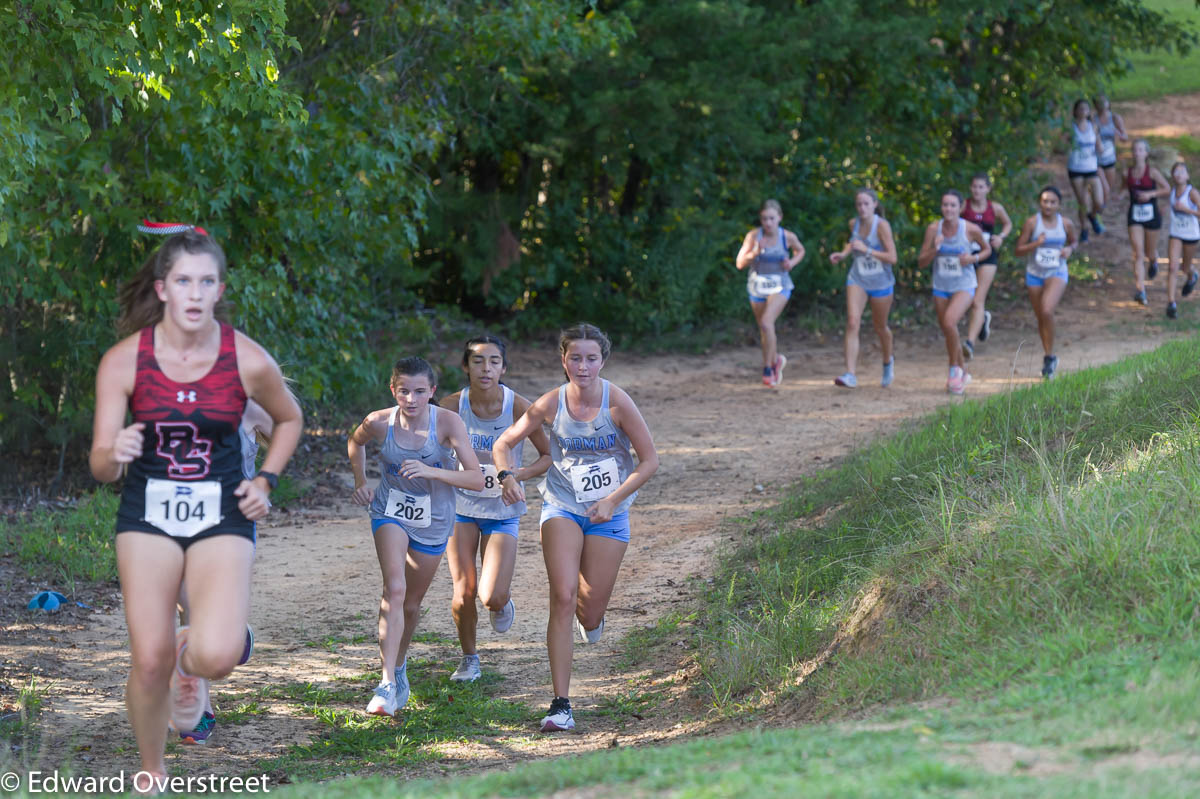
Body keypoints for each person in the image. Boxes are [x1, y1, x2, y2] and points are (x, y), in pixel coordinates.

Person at [90, 228, 302, 787]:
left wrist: (266, 479)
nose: (194, 292)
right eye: (183, 280)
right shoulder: (123, 362)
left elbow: (289, 418)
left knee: (219, 654)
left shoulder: (246, 358)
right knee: (148, 658)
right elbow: (100, 466)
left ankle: (191, 659)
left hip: (222, 512)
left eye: (205, 281)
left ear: (219, 290)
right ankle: (152, 770)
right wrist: (116, 452)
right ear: (162, 288)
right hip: (148, 515)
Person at [492, 324, 659, 733]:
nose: (582, 366)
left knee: (588, 607)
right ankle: (561, 704)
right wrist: (506, 476)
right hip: (562, 507)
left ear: (603, 360)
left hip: (609, 514)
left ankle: (594, 618)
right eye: (575, 358)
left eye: (591, 358)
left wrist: (613, 500)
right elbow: (503, 443)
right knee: (563, 596)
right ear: (563, 359)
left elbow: (649, 460)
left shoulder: (617, 403)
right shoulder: (551, 404)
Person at [348, 357, 484, 716]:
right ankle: (386, 683)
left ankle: (399, 665)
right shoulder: (379, 422)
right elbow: (355, 441)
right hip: (389, 511)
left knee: (410, 603)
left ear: (432, 392)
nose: (411, 398)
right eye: (404, 391)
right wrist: (361, 481)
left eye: (419, 391)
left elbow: (476, 478)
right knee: (394, 588)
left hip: (434, 518)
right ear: (393, 390)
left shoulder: (448, 423)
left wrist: (432, 472)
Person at [440, 335, 551, 683]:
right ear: (465, 366)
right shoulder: (450, 406)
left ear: (503, 367)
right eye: (477, 361)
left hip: (503, 509)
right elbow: (433, 450)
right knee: (464, 591)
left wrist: (517, 474)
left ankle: (503, 602)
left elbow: (547, 456)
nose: (485, 368)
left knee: (491, 595)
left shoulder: (518, 406)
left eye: (493, 361)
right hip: (460, 507)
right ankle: (469, 659)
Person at [177, 398, 274, 744]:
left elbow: (284, 438)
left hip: (233, 523)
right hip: (180, 516)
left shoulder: (251, 409)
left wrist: (262, 482)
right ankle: (200, 710)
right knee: (189, 608)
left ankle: (235, 635)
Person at [917, 190, 991, 395]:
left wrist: (973, 259)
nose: (948, 209)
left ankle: (953, 370)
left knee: (950, 322)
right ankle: (964, 371)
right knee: (949, 330)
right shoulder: (934, 229)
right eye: (945, 205)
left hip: (964, 285)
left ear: (960, 208)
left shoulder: (970, 229)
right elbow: (922, 262)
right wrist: (934, 248)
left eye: (952, 205)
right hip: (941, 286)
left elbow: (988, 250)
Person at [829, 188, 897, 388]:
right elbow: (853, 244)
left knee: (880, 327)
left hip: (881, 282)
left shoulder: (882, 226)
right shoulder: (854, 223)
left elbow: (893, 258)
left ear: (875, 204)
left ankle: (887, 362)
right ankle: (850, 374)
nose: (862, 208)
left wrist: (868, 250)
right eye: (859, 204)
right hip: (858, 278)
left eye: (866, 204)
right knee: (852, 322)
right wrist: (842, 254)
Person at [734, 200, 806, 386]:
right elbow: (740, 263)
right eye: (764, 219)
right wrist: (755, 252)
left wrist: (792, 263)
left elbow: (801, 250)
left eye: (772, 218)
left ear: (779, 218)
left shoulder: (787, 237)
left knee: (767, 323)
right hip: (757, 287)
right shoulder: (753, 237)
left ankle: (768, 369)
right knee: (765, 328)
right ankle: (776, 360)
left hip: (781, 286)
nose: (768, 223)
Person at [1013, 186, 1078, 379]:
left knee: (1047, 310)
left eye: (1052, 202)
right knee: (1041, 316)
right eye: (1044, 201)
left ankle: (1050, 357)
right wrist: (1035, 244)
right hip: (1034, 274)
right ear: (1040, 203)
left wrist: (1070, 250)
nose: (1048, 205)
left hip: (1057, 271)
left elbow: (1074, 241)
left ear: (1058, 204)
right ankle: (1048, 355)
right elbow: (1018, 250)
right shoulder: (1032, 223)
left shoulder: (1065, 223)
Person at [960, 174, 1013, 358]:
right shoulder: (963, 206)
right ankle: (982, 319)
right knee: (965, 298)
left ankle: (970, 343)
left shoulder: (995, 208)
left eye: (981, 187)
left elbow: (1008, 224)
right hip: (966, 256)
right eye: (974, 186)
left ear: (988, 189)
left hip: (988, 255)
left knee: (977, 300)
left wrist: (1000, 237)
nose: (977, 190)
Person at [1125, 139, 1170, 305]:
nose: (1137, 152)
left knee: (1149, 253)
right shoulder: (1127, 172)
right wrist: (1119, 195)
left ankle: (1153, 260)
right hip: (1134, 215)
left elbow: (1167, 189)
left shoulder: (1152, 172)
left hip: (1152, 216)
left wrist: (1150, 195)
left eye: (1141, 150)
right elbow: (1124, 188)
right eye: (1135, 149)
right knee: (1138, 252)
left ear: (1146, 153)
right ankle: (1140, 290)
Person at [1067, 99, 1105, 242]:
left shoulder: (1093, 126)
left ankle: (1093, 216)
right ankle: (1084, 229)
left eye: (1086, 109)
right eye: (1080, 109)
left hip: (1091, 167)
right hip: (1076, 168)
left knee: (1099, 201)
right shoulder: (1071, 128)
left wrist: (1101, 150)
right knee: (1082, 202)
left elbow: (1099, 145)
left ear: (1089, 112)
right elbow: (1060, 144)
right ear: (1075, 111)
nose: (1083, 111)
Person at [1165, 161, 1200, 319]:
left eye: (1181, 171)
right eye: (1175, 171)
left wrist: (1186, 209)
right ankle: (1171, 303)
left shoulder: (1191, 193)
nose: (1178, 174)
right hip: (1176, 233)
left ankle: (1192, 276)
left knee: (1185, 268)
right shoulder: (1172, 191)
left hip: (1191, 235)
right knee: (1172, 267)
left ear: (1187, 176)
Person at [1094, 94, 1128, 202]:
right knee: (1104, 188)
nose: (1102, 105)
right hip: (1095, 158)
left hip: (1110, 157)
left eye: (1104, 101)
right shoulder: (1093, 119)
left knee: (1108, 190)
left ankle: (1101, 212)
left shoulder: (1114, 118)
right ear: (1095, 104)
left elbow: (1125, 137)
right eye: (1099, 102)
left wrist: (1119, 134)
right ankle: (1097, 210)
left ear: (1108, 103)